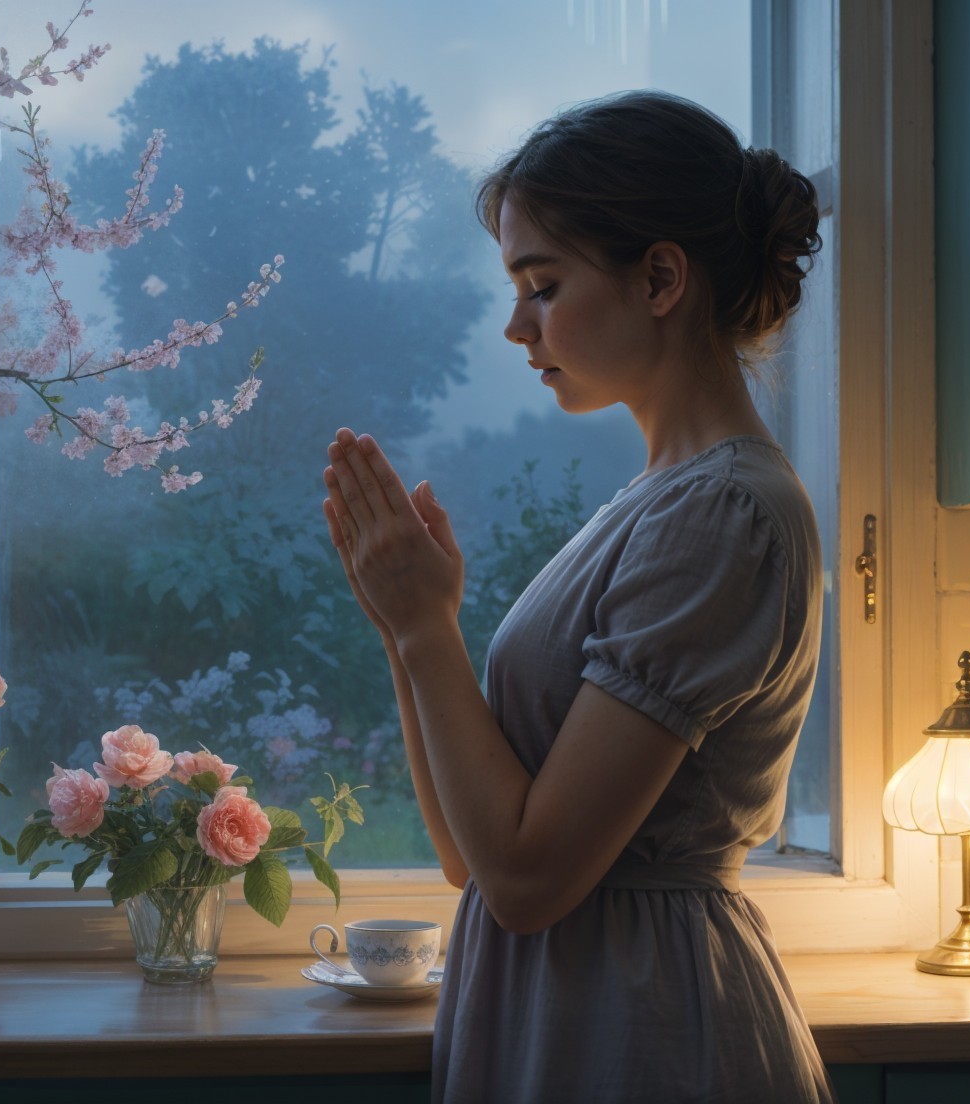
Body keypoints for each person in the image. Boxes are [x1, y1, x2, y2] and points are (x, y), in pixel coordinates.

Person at [319, 88, 833, 1104]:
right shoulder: (660, 502)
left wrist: (428, 630)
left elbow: (526, 883)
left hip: (645, 1029)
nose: (517, 326)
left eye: (542, 285)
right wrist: (405, 628)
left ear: (659, 278)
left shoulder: (723, 517)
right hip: (569, 1015)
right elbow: (473, 863)